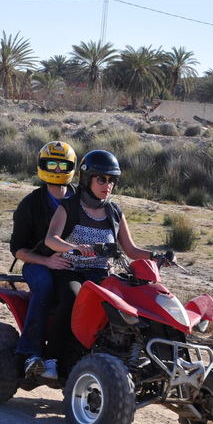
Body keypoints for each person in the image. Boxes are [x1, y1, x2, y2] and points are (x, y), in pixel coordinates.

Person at [43, 150, 156, 379]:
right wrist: (72, 248)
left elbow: (131, 250)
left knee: (129, 304)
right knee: (74, 298)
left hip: (102, 274)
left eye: (112, 180)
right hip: (71, 270)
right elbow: (50, 239)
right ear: (87, 178)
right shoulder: (70, 206)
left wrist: (157, 255)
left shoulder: (114, 211)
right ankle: (51, 360)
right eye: (102, 179)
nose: (108, 185)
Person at [9, 141, 76, 379]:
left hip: (74, 264)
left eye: (63, 165)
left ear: (72, 167)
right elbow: (17, 249)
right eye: (52, 164)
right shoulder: (30, 204)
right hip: (38, 264)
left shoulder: (81, 199)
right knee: (45, 285)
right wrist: (46, 262)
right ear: (42, 165)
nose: (57, 170)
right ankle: (31, 354)